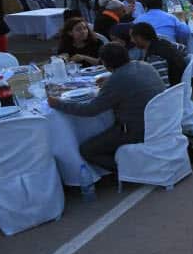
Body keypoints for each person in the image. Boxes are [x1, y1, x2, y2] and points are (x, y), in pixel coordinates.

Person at [48, 42, 166, 171]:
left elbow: (90, 110)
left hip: (136, 129)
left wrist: (58, 104)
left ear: (105, 64)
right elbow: (128, 79)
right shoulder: (145, 66)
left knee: (87, 149)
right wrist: (110, 78)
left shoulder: (116, 80)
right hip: (161, 122)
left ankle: (131, 169)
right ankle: (133, 160)